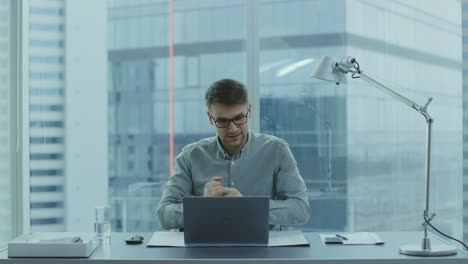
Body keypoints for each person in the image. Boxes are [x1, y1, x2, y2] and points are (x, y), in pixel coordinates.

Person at [157, 79, 310, 230]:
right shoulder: (190, 156)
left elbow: (301, 208)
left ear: (249, 111)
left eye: (239, 118)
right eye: (223, 121)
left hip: (263, 251)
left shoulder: (277, 150)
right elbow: (164, 214)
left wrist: (247, 207)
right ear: (211, 118)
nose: (232, 129)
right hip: (205, 250)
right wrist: (204, 206)